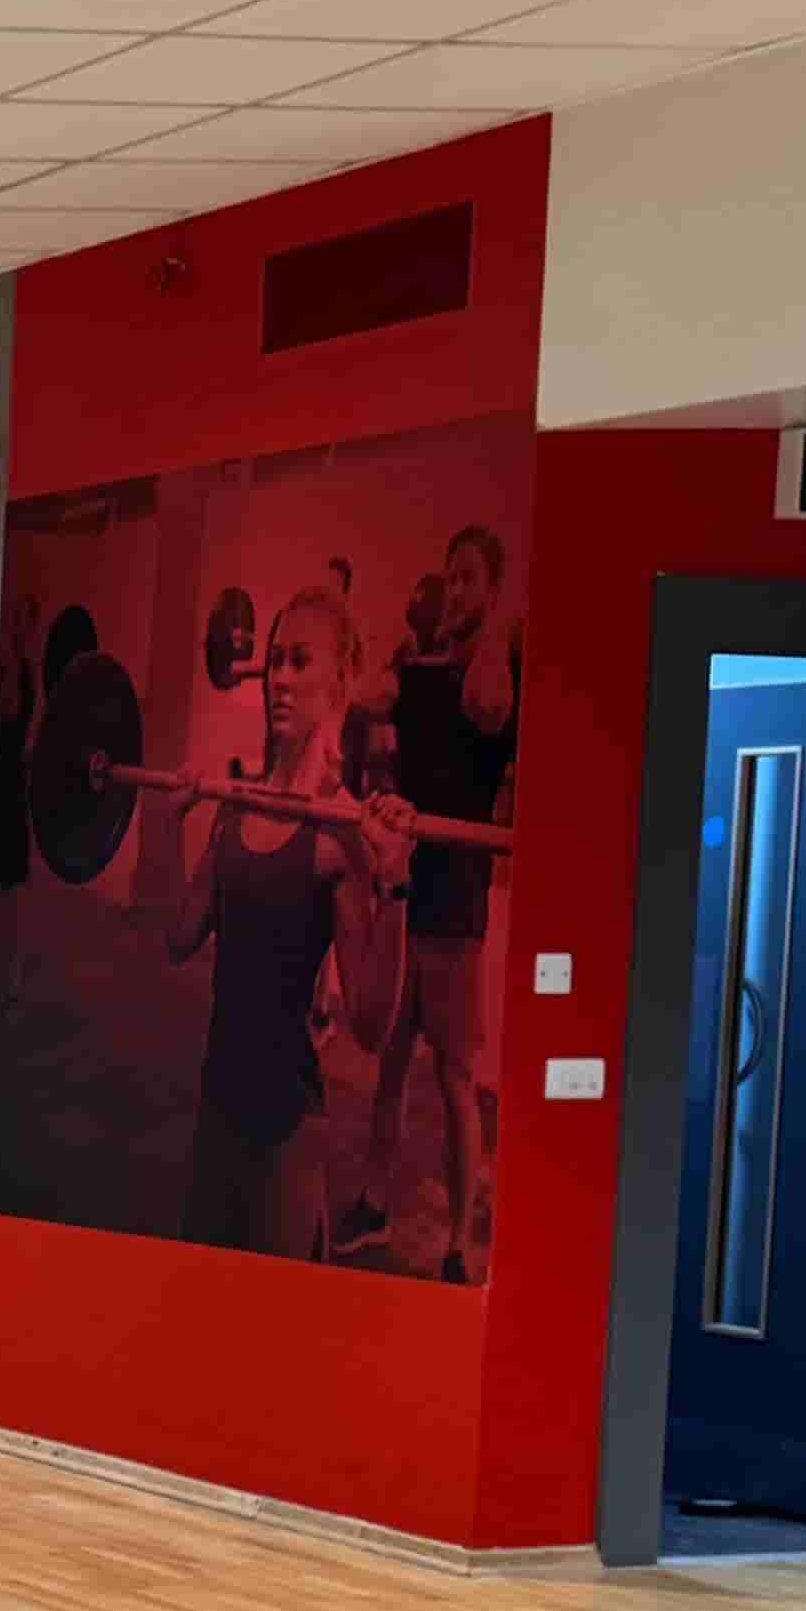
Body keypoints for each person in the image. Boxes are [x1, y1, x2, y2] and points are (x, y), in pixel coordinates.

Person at [166, 583, 414, 1261]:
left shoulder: (338, 832)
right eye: (276, 660)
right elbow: (177, 939)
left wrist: (393, 881)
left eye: (301, 662)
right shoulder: (234, 804)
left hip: (286, 1129)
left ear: (339, 681)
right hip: (215, 1112)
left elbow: (369, 1023)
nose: (280, 678)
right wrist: (175, 825)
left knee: (276, 1336)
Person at [341, 522, 516, 1283]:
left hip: (457, 910)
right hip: (409, 893)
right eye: (451, 575)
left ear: (494, 590)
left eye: (472, 576)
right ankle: (375, 1199)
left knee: (452, 1079)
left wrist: (484, 635)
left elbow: (487, 709)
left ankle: (454, 1242)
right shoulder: (418, 671)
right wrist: (401, 646)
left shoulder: (491, 670)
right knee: (389, 1064)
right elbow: (363, 701)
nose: (457, 588)